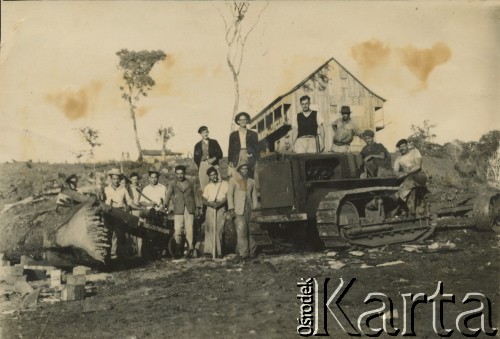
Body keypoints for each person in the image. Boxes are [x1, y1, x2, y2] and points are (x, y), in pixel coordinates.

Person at [165, 165, 202, 256]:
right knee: (178, 230)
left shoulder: (191, 181)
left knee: (189, 229)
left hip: (189, 208)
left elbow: (195, 195)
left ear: (184, 173)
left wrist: (198, 207)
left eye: (181, 173)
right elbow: (168, 195)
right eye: (178, 174)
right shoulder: (172, 183)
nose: (180, 176)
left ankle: (189, 250)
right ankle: (178, 249)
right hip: (178, 209)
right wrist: (165, 205)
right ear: (175, 174)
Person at [227, 163, 258, 259]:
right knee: (241, 231)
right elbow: (229, 195)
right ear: (239, 170)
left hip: (249, 208)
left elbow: (254, 197)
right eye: (243, 169)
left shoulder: (251, 182)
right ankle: (244, 253)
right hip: (239, 209)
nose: (245, 171)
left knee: (251, 231)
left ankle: (252, 252)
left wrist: (255, 209)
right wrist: (231, 208)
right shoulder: (233, 180)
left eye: (246, 169)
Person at [103, 168, 134, 260]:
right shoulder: (106, 189)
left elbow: (129, 202)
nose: (116, 181)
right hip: (108, 215)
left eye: (117, 179)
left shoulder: (123, 189)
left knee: (120, 236)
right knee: (108, 235)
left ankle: (120, 258)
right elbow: (101, 202)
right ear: (111, 179)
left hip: (119, 214)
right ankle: (107, 258)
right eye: (114, 179)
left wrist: (135, 207)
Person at [393, 139, 427, 215]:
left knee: (409, 179)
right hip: (407, 179)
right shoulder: (398, 158)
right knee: (406, 182)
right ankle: (408, 208)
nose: (402, 148)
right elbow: (395, 171)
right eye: (400, 147)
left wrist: (406, 173)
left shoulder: (415, 152)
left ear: (407, 145)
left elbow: (418, 166)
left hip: (419, 175)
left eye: (403, 146)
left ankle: (399, 197)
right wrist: (399, 174)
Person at [202, 166, 228, 259]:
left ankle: (219, 252)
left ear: (217, 174)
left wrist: (220, 203)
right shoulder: (207, 187)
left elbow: (226, 197)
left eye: (214, 174)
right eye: (211, 175)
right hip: (210, 208)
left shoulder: (224, 184)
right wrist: (211, 205)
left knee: (218, 229)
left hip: (220, 208)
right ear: (209, 177)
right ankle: (209, 252)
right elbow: (204, 200)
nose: (214, 177)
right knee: (209, 229)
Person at [228, 112, 259, 178]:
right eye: (241, 120)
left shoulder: (253, 134)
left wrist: (255, 158)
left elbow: (256, 148)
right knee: (237, 175)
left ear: (247, 121)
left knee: (249, 174)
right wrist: (230, 160)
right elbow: (230, 148)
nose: (243, 121)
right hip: (237, 155)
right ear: (238, 121)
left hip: (249, 154)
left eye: (244, 119)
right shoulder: (233, 135)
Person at [193, 126, 223, 192]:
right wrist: (201, 165)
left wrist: (214, 159)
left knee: (218, 182)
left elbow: (220, 153)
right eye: (203, 133)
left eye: (206, 132)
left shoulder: (214, 142)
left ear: (208, 132)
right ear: (200, 134)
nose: (205, 134)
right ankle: (207, 201)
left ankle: (219, 201)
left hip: (213, 164)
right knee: (204, 186)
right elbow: (195, 158)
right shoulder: (197, 145)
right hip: (203, 165)